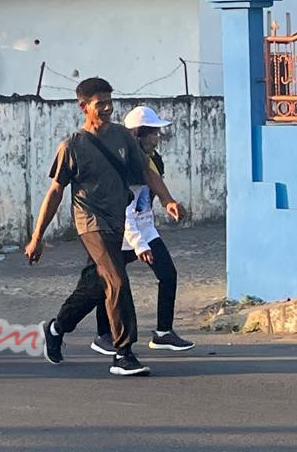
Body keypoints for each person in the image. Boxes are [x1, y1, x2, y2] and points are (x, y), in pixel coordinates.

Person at [25, 77, 183, 377]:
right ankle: (123, 353)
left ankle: (57, 328)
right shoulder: (73, 145)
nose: (108, 108)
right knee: (118, 282)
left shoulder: (123, 137)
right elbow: (56, 191)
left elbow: (148, 173)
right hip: (90, 222)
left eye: (110, 102)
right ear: (84, 107)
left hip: (118, 221)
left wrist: (168, 200)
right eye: (101, 104)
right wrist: (37, 237)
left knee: (95, 287)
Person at [90, 106, 195, 355]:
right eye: (152, 133)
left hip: (145, 227)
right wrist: (138, 243)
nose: (156, 138)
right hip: (120, 231)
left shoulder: (153, 159)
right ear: (137, 134)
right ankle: (101, 334)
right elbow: (123, 207)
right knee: (104, 284)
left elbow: (154, 186)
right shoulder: (123, 163)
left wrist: (168, 202)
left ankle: (163, 333)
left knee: (167, 274)